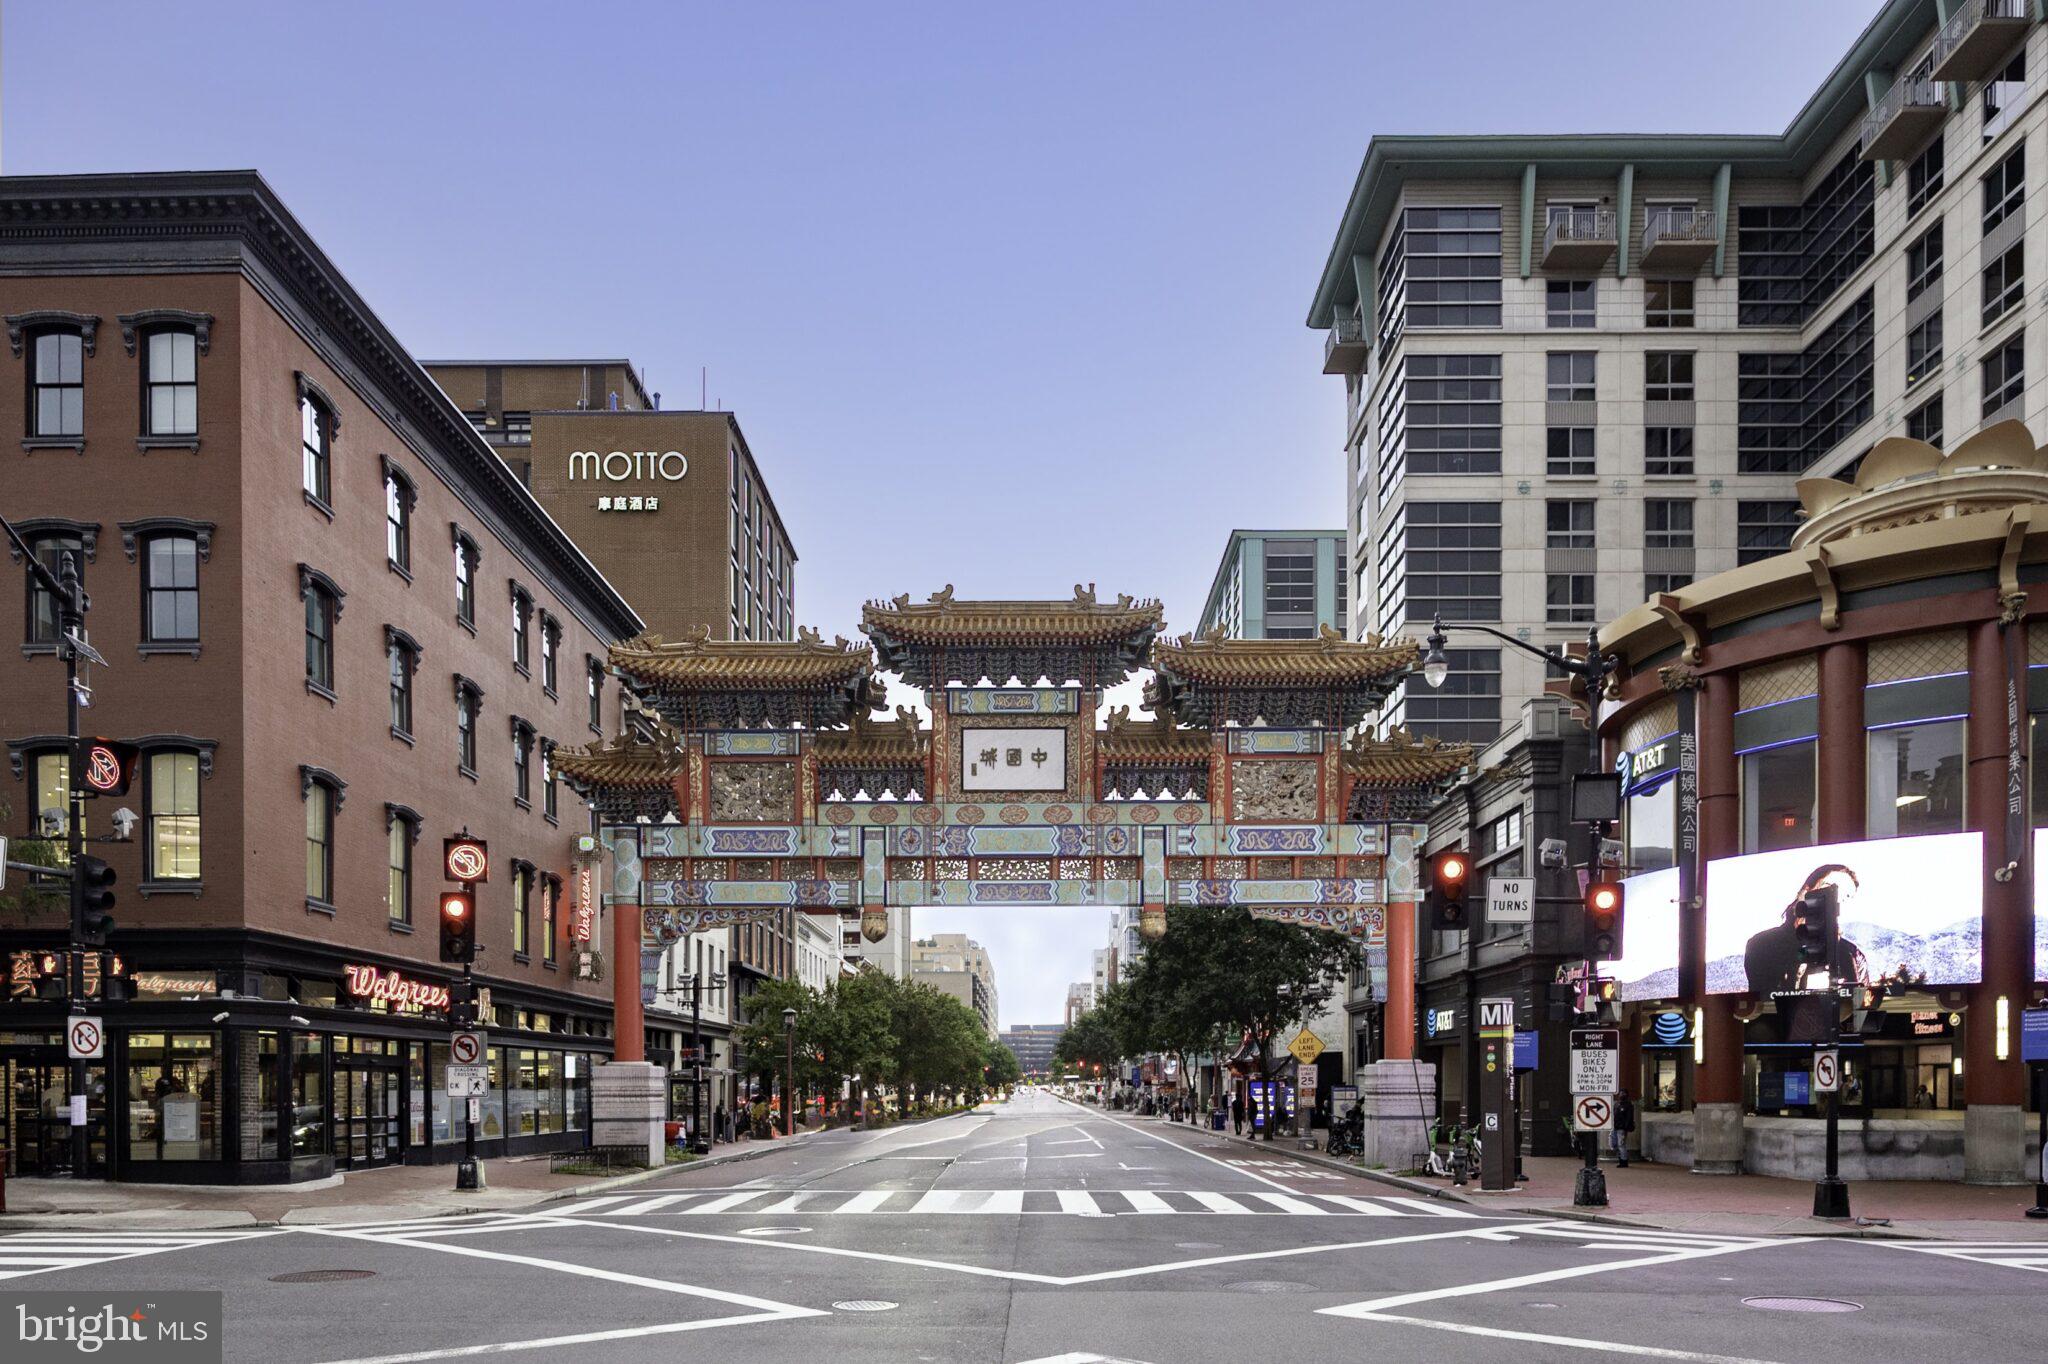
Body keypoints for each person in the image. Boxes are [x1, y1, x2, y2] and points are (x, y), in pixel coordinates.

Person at [1742, 864, 1870, 995]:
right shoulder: (1762, 945)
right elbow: (1762, 1003)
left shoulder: (1852, 956)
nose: (1837, 900)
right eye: (1830, 888)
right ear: (1804, 892)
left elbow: (1861, 1008)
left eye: (1846, 896)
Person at [1610, 1088, 1636, 1168]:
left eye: (1623, 1093)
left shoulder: (1628, 1105)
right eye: (1620, 1093)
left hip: (1622, 1128)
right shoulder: (1617, 1104)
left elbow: (1629, 1117)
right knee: (1613, 1143)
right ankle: (1621, 1158)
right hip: (1615, 1126)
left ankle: (1623, 1161)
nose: (1621, 1095)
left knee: (1621, 1144)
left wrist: (1626, 1127)